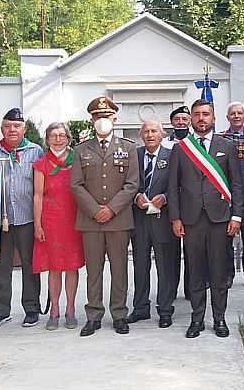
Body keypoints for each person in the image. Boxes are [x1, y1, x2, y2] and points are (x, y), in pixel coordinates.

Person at [168, 99, 244, 338]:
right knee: (196, 272)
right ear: (191, 119)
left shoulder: (227, 146)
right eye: (197, 114)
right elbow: (172, 187)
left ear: (214, 118)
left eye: (206, 114)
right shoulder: (181, 149)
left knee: (219, 272)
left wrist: (237, 216)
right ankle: (197, 318)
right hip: (191, 220)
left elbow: (237, 185)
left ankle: (219, 319)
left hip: (220, 219)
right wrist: (175, 218)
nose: (201, 118)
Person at [71, 97, 139, 336]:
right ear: (92, 120)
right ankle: (93, 315)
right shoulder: (81, 150)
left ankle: (119, 314)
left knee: (120, 270)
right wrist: (95, 210)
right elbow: (76, 185)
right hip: (90, 221)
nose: (102, 121)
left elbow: (132, 185)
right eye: (98, 117)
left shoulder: (128, 148)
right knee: (94, 271)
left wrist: (110, 209)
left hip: (118, 219)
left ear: (114, 119)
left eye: (106, 117)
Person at [0, 107, 45, 329]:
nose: (12, 130)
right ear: (1, 129)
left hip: (27, 218)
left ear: (24, 129)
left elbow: (41, 187)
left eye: (17, 126)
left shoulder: (35, 151)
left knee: (30, 265)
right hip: (1, 220)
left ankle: (31, 308)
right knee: (1, 266)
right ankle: (1, 310)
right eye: (8, 126)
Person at [32, 121, 85, 331]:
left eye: (62, 135)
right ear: (47, 139)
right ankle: (54, 309)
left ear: (68, 138)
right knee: (54, 267)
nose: (58, 139)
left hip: (74, 220)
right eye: (53, 135)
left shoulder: (78, 161)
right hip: (51, 221)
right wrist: (38, 224)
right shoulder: (41, 164)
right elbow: (37, 196)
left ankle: (70, 309)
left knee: (71, 267)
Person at [126, 119, 178, 328]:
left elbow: (179, 185)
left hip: (162, 219)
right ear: (141, 134)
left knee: (165, 266)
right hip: (139, 219)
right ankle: (140, 308)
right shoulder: (134, 156)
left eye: (154, 131)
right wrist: (135, 196)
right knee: (140, 264)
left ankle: (165, 310)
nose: (150, 135)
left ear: (162, 134)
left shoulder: (172, 156)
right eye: (146, 131)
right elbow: (126, 184)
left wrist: (165, 197)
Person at [161, 105, 192, 299]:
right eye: (177, 119)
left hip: (191, 204)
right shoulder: (164, 144)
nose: (181, 122)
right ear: (172, 123)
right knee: (171, 254)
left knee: (192, 252)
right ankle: (170, 290)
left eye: (184, 119)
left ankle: (191, 290)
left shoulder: (196, 143)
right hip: (169, 205)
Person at [222, 101, 244, 287]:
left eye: (240, 113)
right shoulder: (220, 138)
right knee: (226, 237)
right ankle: (227, 273)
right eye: (233, 113)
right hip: (224, 194)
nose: (236, 116)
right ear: (227, 118)